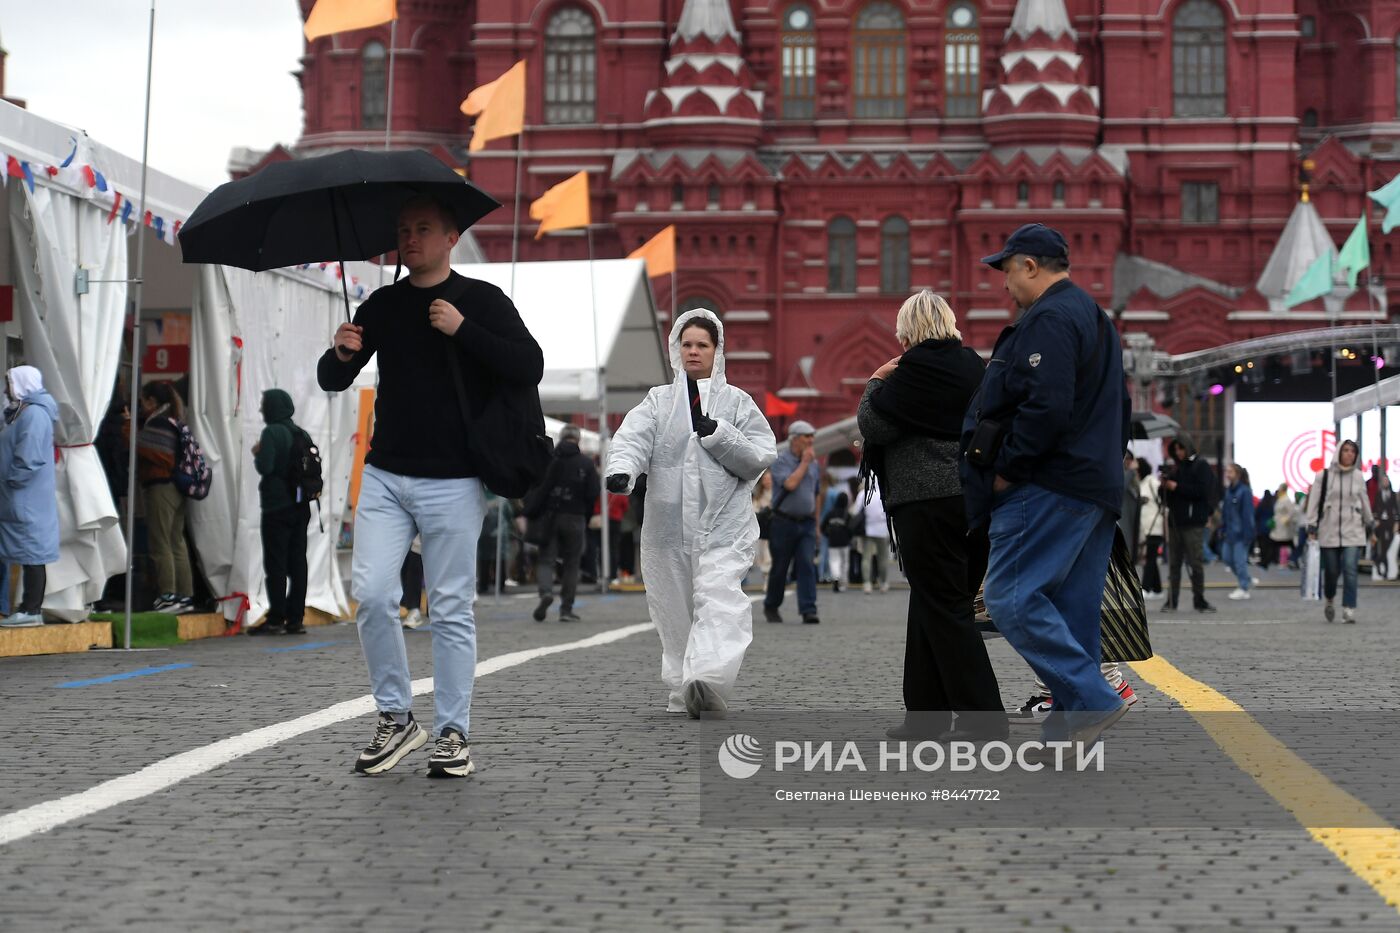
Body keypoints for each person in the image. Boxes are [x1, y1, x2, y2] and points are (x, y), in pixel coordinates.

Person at [318, 195, 544, 777]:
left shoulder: (482, 301)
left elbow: (528, 364)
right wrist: (341, 353)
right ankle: (397, 719)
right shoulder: (386, 304)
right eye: (402, 229)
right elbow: (332, 377)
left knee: (448, 607)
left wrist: (463, 329)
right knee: (370, 594)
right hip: (388, 473)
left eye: (422, 229)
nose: (409, 237)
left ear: (450, 238)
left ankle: (452, 732)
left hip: (455, 479)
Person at [960, 223, 1130, 748]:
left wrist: (1008, 468)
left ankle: (1095, 699)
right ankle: (1070, 734)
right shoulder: (1095, 319)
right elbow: (1118, 408)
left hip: (1046, 485)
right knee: (1073, 613)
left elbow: (1046, 406)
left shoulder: (1050, 318)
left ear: (1030, 266)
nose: (1004, 284)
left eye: (1007, 271)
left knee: (1009, 598)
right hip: (1092, 487)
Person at [605, 309, 776, 717]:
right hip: (667, 529)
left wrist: (719, 435)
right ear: (675, 350)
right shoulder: (659, 401)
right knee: (674, 610)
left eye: (702, 344)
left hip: (723, 527)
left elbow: (760, 456)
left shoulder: (738, 403)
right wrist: (621, 470)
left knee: (719, 601)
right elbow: (632, 437)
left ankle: (709, 678)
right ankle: (685, 686)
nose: (694, 351)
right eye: (687, 344)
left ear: (717, 351)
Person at [860, 289, 1005, 740]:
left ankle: (985, 719)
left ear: (908, 328)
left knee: (944, 609)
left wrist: (875, 380)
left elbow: (874, 424)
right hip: (973, 502)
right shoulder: (974, 367)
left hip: (925, 505)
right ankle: (926, 716)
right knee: (931, 604)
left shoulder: (910, 373)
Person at [248, 389, 313, 635]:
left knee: (276, 562)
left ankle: (276, 617)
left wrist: (258, 453)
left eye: (264, 404)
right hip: (301, 506)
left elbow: (266, 466)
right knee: (298, 562)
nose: (261, 409)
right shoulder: (301, 433)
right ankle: (295, 618)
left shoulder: (271, 432)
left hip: (277, 507)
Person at [0, 366, 59, 627]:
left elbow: (28, 457)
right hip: (20, 495)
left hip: (25, 496)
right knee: (29, 549)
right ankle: (27, 607)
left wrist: (12, 479)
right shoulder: (24, 412)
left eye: (9, 383)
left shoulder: (34, 415)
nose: (5, 389)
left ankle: (31, 608)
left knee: (32, 551)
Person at [136, 380, 195, 615]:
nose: (140, 406)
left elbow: (145, 448)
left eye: (142, 401)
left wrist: (130, 427)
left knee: (161, 542)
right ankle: (185, 595)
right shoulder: (174, 419)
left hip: (162, 486)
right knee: (176, 541)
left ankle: (168, 595)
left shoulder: (158, 423)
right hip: (178, 487)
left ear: (152, 401)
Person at [532, 424, 598, 623]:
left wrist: (531, 512)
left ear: (561, 438)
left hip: (550, 516)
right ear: (577, 440)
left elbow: (539, 488)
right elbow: (593, 492)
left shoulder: (550, 460)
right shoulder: (586, 463)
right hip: (575, 517)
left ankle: (545, 593)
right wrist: (585, 514)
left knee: (546, 559)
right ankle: (566, 609)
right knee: (572, 563)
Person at [1305, 439, 1374, 623]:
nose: (1349, 454)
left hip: (1354, 530)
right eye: (1346, 450)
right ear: (1338, 452)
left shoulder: (1359, 476)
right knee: (1332, 571)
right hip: (1330, 530)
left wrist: (1370, 521)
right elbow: (1314, 501)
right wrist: (1311, 524)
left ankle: (1349, 607)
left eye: (1353, 451)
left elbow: (1364, 499)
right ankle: (1329, 598)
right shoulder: (1324, 476)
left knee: (1351, 569)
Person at [763, 422, 821, 624]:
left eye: (812, 436)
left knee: (806, 564)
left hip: (806, 523)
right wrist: (804, 463)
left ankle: (808, 609)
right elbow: (790, 484)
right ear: (795, 438)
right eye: (807, 436)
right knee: (780, 567)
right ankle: (771, 604)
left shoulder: (813, 463)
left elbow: (816, 494)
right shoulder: (781, 461)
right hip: (783, 522)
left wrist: (817, 525)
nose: (811, 440)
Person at [1160, 436, 1216, 613]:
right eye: (1175, 449)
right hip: (1175, 522)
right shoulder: (1176, 468)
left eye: (1181, 449)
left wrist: (1176, 487)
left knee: (1195, 563)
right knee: (1174, 564)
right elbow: (1166, 499)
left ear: (1188, 448)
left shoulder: (1201, 466)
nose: (1178, 452)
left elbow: (1201, 491)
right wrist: (1164, 487)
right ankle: (1171, 601)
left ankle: (1199, 600)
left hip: (1193, 523)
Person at [1219, 463, 1255, 600]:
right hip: (1229, 532)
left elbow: (1247, 514)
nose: (1227, 474)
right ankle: (1246, 579)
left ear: (1237, 474)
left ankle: (1243, 587)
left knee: (1240, 562)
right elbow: (1225, 512)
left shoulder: (1244, 491)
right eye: (1227, 471)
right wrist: (1222, 528)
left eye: (1230, 471)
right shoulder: (1229, 491)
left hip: (1241, 533)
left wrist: (1248, 534)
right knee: (1227, 558)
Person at [856, 475, 890, 594]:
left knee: (866, 558)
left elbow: (856, 511)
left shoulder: (863, 494)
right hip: (882, 529)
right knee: (882, 558)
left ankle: (867, 583)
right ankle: (883, 583)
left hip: (868, 529)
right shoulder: (883, 492)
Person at [1138, 460, 1165, 599]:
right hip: (1146, 528)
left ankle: (1146, 587)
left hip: (1155, 526)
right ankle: (1157, 588)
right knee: (1151, 558)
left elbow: (1163, 501)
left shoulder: (1151, 482)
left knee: (1150, 558)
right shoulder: (1141, 484)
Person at [821, 489, 853, 592]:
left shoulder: (831, 513)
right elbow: (851, 528)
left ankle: (835, 578)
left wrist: (828, 534)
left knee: (834, 561)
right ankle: (843, 583)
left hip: (832, 541)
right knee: (845, 563)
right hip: (844, 542)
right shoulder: (847, 514)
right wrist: (849, 537)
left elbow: (822, 527)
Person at [1269, 483, 1297, 569]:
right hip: (1278, 525)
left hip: (1284, 526)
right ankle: (1279, 560)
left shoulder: (1287, 500)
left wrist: (1286, 519)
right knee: (1278, 543)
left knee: (1284, 543)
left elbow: (1291, 512)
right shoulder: (1279, 499)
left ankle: (1285, 561)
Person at [1118, 452, 1140, 554]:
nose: (1128, 461)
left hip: (1133, 518)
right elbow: (1121, 487)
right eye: (1126, 458)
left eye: (1130, 459)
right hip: (1123, 519)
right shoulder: (1121, 473)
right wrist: (1131, 472)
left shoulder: (1133, 476)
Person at [1254, 488, 1276, 570]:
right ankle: (1267, 561)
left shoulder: (1261, 504)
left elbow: (1256, 514)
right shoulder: (1272, 505)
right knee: (1268, 546)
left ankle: (1263, 561)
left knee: (1262, 546)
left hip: (1261, 528)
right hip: (1269, 528)